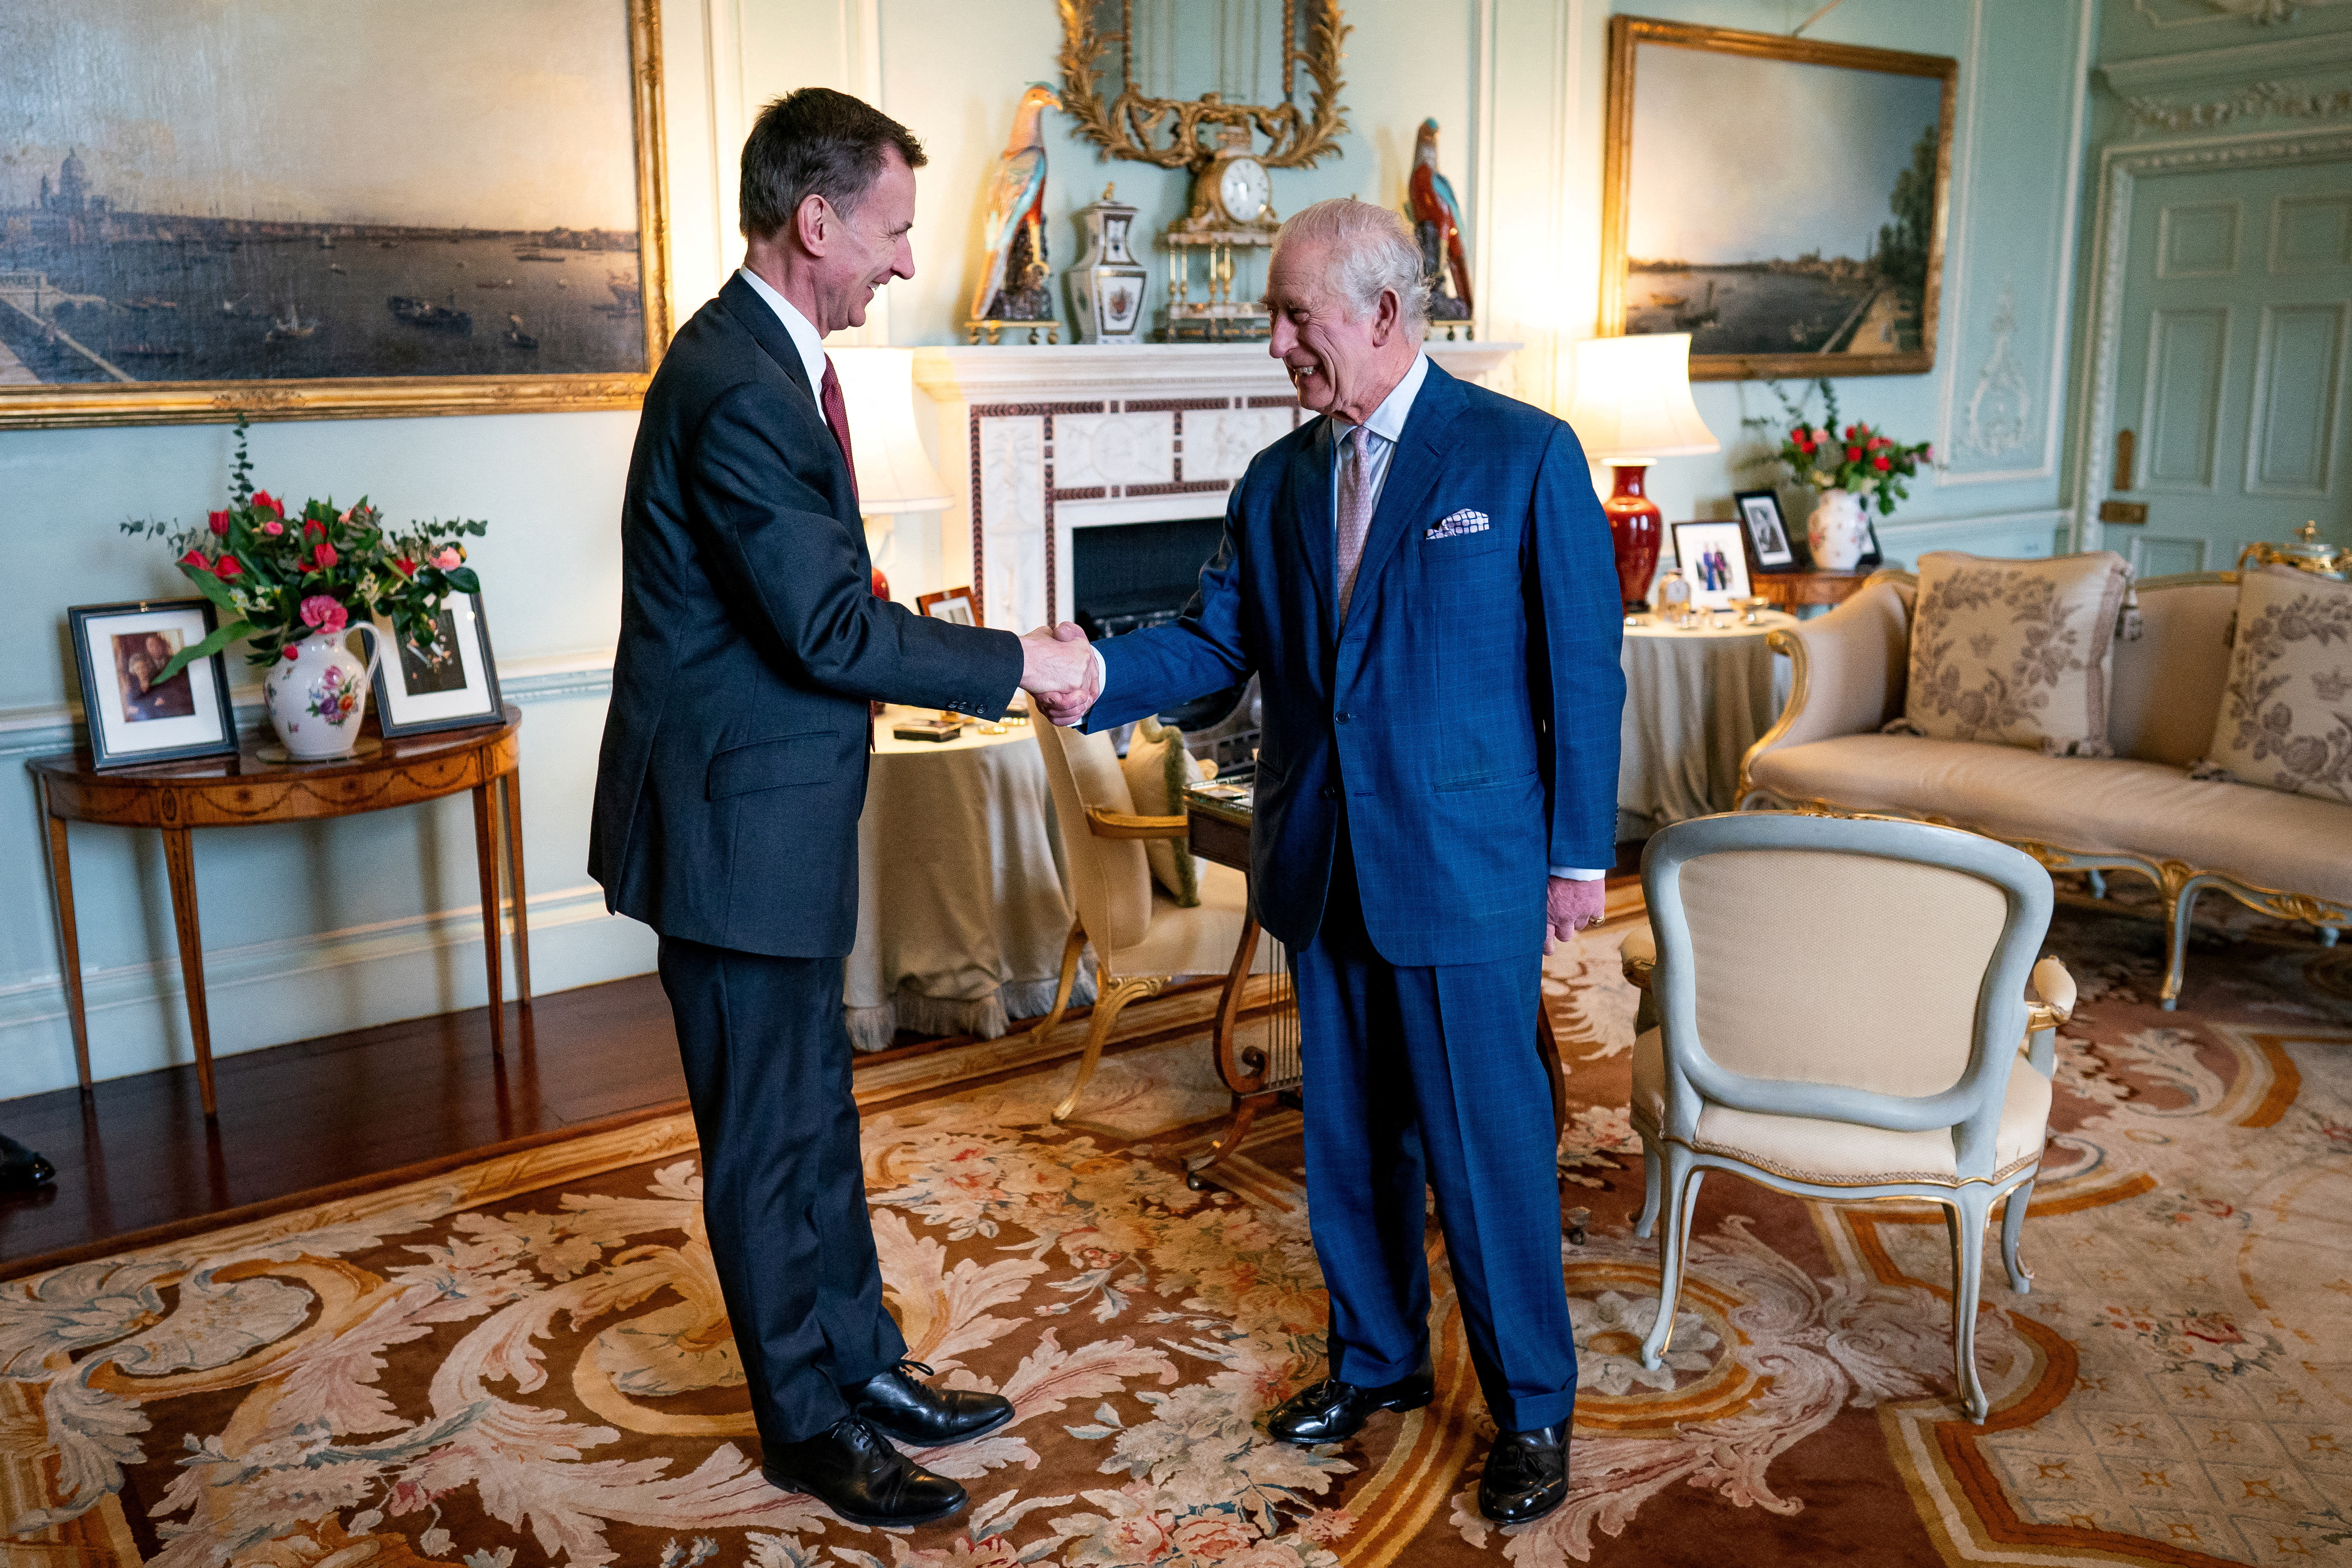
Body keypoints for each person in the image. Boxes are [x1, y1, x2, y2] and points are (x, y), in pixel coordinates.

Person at [1032, 199, 1623, 1525]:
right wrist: (1097, 675)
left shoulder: (1521, 455)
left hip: (1468, 864)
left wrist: (1576, 855)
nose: (1277, 343)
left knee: (1486, 1147)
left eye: (1297, 316)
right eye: (1273, 317)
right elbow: (1211, 645)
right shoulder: (1278, 479)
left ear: (1385, 315)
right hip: (1324, 857)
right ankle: (1379, 1362)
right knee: (1349, 1141)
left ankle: (1534, 1406)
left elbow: (1582, 670)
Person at [588, 87, 1095, 1529]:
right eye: (891, 230)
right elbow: (822, 625)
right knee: (764, 1137)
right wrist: (1021, 661)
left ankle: (861, 1362)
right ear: (818, 222)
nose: (903, 261)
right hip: (733, 829)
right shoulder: (740, 382)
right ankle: (808, 1423)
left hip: (779, 814)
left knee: (815, 1111)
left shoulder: (773, 359)